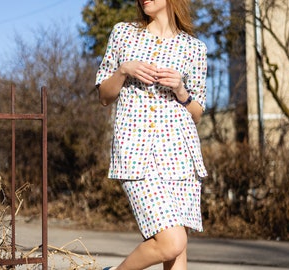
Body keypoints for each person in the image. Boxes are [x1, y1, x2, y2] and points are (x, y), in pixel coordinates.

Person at [95, 0, 208, 269]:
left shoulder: (195, 48)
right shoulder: (123, 33)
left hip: (181, 156)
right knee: (171, 242)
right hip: (136, 154)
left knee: (178, 251)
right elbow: (104, 96)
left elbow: (197, 112)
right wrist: (124, 70)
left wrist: (181, 90)